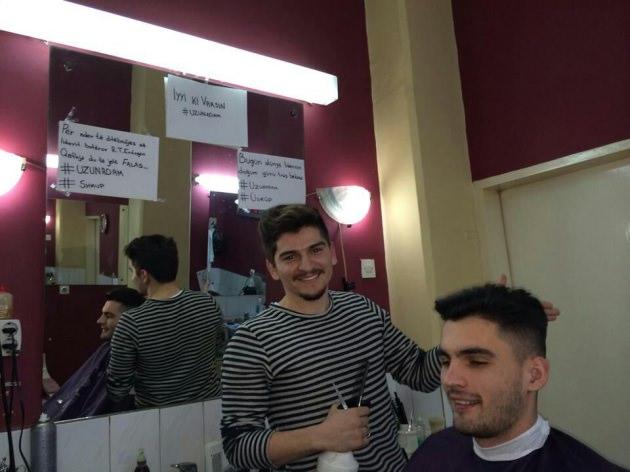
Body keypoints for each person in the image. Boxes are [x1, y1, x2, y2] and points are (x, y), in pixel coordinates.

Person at [405, 284, 626, 471]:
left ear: (535, 375)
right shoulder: (432, 454)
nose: (450, 380)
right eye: (446, 362)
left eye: (477, 362)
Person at [107, 234, 223, 408]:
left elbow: (117, 391)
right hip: (207, 411)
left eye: (131, 271)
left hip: (159, 418)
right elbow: (218, 351)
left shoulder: (132, 322)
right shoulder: (207, 303)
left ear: (144, 275)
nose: (131, 278)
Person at [44, 287, 144, 420]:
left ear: (130, 321)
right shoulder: (106, 349)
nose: (100, 320)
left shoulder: (123, 356)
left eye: (108, 316)